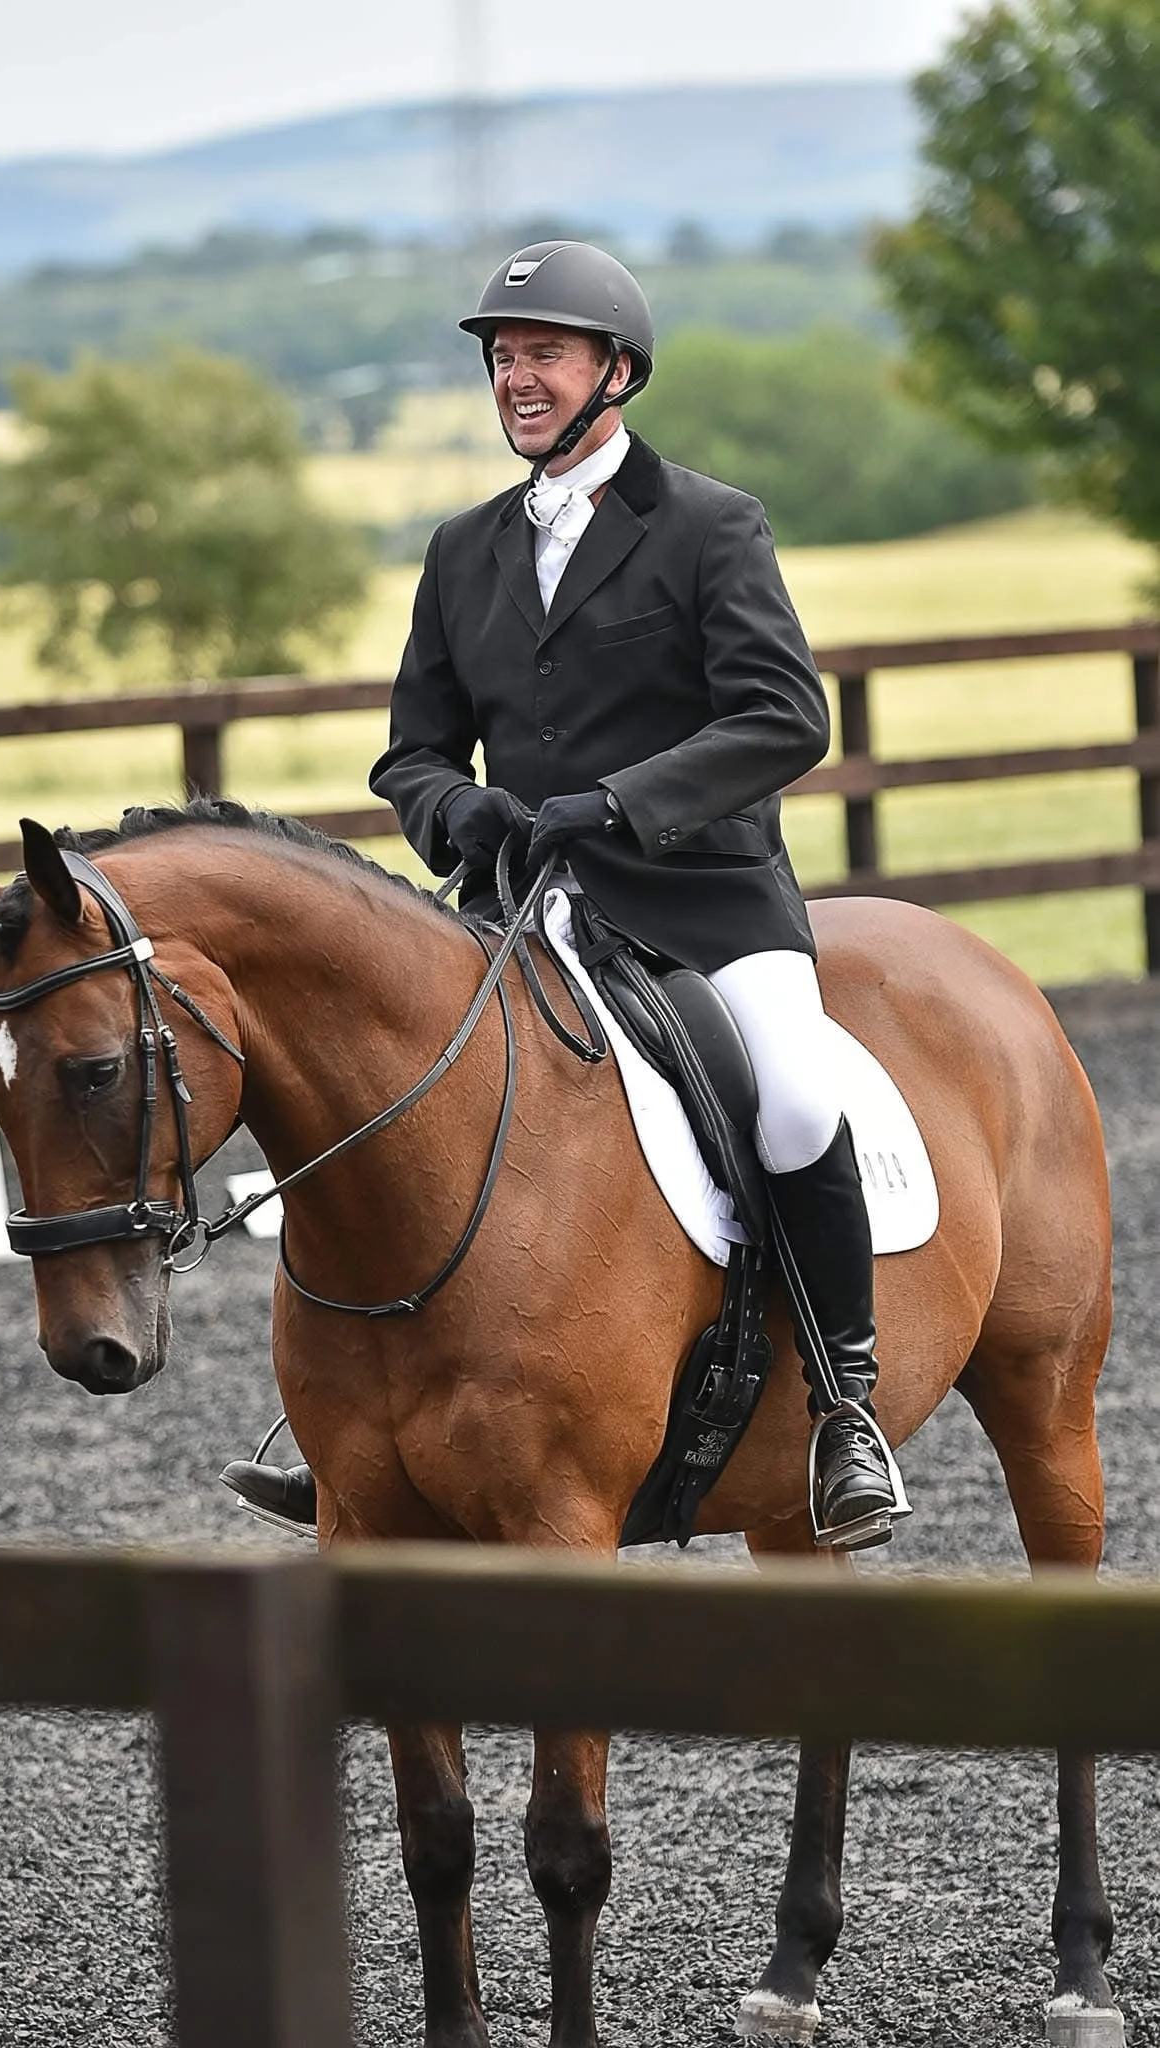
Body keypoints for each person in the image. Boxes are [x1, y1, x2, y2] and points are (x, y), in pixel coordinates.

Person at [223, 240, 902, 1547]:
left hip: (704, 904)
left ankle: (844, 1406)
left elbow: (782, 720)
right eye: (500, 358)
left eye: (541, 354)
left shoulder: (711, 525)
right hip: (517, 911)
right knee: (382, 1108)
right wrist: (452, 808)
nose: (514, 378)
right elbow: (409, 749)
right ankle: (348, 1428)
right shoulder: (464, 548)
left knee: (796, 1097)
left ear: (617, 372)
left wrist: (620, 801)